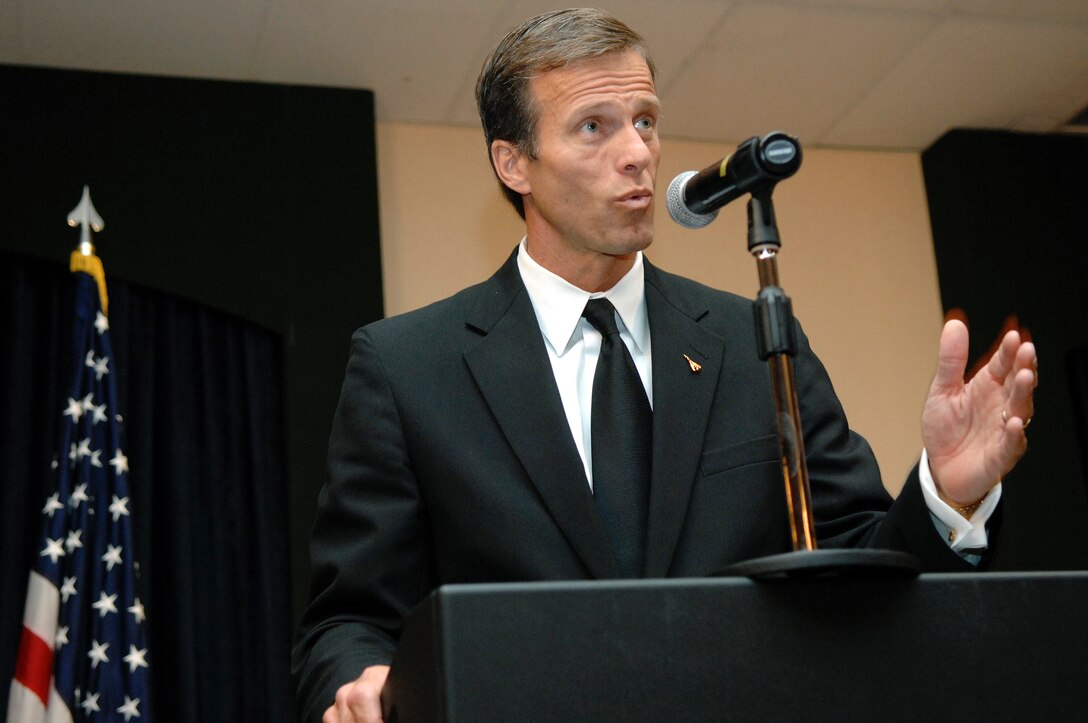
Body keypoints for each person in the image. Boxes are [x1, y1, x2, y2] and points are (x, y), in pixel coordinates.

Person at [292, 9, 1038, 723]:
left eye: (646, 120)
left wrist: (946, 491)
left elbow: (863, 571)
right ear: (513, 162)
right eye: (595, 127)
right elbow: (349, 617)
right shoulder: (407, 367)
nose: (640, 153)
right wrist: (363, 680)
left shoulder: (754, 340)